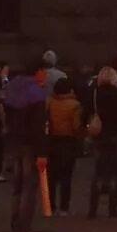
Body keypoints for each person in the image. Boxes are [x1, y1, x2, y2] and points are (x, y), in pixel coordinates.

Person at [3, 59, 50, 232]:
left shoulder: (12, 88)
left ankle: (16, 227)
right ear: (38, 71)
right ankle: (24, 230)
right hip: (30, 144)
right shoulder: (36, 93)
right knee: (29, 188)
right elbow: (38, 126)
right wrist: (42, 152)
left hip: (15, 141)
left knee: (17, 186)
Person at [88, 66, 117, 217]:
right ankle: (112, 209)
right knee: (114, 173)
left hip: (99, 135)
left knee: (99, 172)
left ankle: (93, 209)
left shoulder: (95, 93)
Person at [45, 76, 83, 215]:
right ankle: (64, 207)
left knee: (51, 177)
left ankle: (50, 205)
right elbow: (76, 125)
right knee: (66, 176)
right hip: (68, 141)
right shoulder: (74, 105)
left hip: (52, 140)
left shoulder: (49, 103)